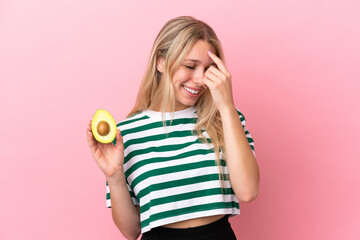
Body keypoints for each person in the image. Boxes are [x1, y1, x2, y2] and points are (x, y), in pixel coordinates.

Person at [87, 16, 259, 240]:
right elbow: (131, 231)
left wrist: (226, 107)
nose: (199, 79)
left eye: (208, 69)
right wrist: (114, 175)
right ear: (160, 62)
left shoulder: (226, 119)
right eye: (189, 66)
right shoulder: (126, 134)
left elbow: (248, 192)